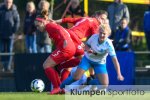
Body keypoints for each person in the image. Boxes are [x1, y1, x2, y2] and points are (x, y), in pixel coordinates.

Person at [60, 24, 124, 91]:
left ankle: (89, 82)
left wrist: (119, 74)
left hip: (99, 63)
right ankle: (60, 88)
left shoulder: (109, 45)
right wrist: (88, 49)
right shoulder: (94, 37)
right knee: (76, 77)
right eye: (100, 33)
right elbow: (86, 46)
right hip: (88, 60)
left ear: (108, 34)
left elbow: (115, 60)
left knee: (104, 85)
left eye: (104, 34)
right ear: (98, 32)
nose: (102, 35)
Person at [34, 10, 82, 94]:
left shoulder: (49, 25)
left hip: (66, 48)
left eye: (38, 26)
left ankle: (56, 87)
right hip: (69, 48)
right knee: (55, 67)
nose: (37, 28)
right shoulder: (50, 26)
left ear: (43, 22)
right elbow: (63, 30)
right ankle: (61, 88)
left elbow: (59, 29)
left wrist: (64, 40)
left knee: (46, 65)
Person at [55, 10, 109, 82]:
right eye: (102, 18)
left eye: (105, 19)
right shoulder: (95, 22)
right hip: (74, 38)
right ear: (97, 16)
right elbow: (96, 38)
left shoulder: (85, 18)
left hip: (67, 36)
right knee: (86, 58)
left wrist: (55, 21)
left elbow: (69, 19)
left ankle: (61, 89)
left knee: (69, 67)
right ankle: (91, 76)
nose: (103, 21)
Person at [0, 0, 20, 71]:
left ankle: (8, 67)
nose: (8, 3)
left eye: (9, 2)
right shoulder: (1, 10)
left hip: (10, 35)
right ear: (4, 2)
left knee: (9, 50)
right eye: (6, 2)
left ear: (12, 2)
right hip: (1, 35)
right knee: (2, 50)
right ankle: (2, 66)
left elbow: (17, 21)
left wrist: (14, 30)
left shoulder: (14, 10)